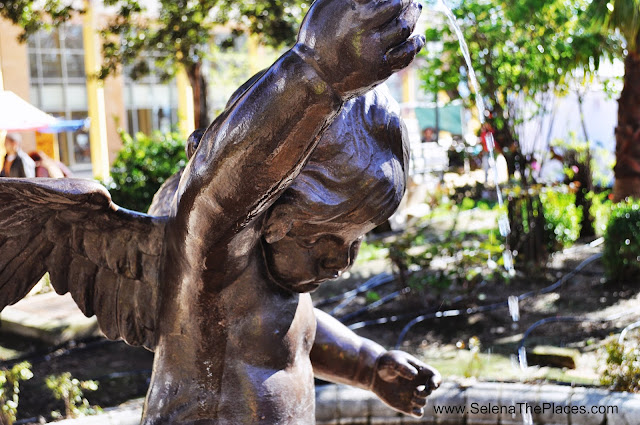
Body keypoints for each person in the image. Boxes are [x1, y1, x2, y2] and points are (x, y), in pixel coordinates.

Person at [0, 0, 439, 422]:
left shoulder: (277, 289)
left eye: (355, 240)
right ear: (263, 214)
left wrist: (369, 365)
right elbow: (218, 193)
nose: (342, 261)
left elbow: (298, 334)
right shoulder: (211, 272)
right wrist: (316, 75)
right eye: (326, 239)